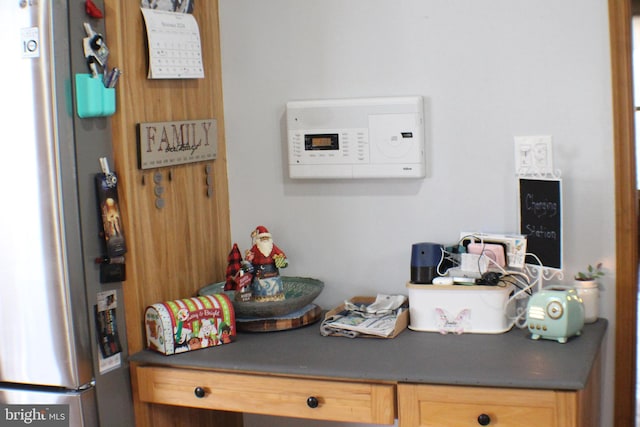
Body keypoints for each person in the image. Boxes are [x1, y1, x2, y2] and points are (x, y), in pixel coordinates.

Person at [245, 226, 288, 301]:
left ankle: (276, 296)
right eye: (262, 238)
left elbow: (282, 255)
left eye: (266, 238)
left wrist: (281, 259)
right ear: (258, 239)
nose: (264, 240)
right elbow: (249, 258)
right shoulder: (255, 248)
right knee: (259, 288)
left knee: (275, 287)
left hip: (273, 271)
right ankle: (259, 298)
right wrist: (249, 256)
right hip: (259, 272)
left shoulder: (273, 247)